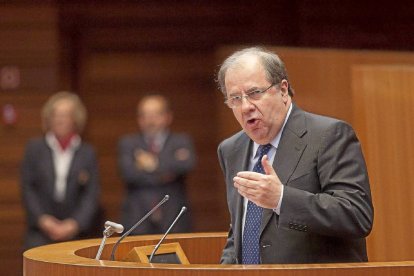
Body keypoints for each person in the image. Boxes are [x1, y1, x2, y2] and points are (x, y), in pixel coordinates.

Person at [216, 47, 374, 264]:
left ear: (283, 90)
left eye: (254, 93)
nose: (245, 107)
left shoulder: (329, 135)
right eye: (235, 98)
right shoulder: (231, 149)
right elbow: (240, 230)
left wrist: (281, 199)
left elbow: (356, 215)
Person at [21, 92, 100, 249]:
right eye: (54, 115)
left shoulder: (87, 152)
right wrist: (43, 220)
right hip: (40, 231)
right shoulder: (34, 148)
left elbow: (91, 194)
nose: (59, 120)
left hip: (77, 233)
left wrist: (74, 224)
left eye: (64, 115)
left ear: (75, 119)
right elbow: (28, 189)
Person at [118, 94, 195, 234]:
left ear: (168, 116)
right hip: (138, 217)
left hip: (173, 216)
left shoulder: (181, 141)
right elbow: (129, 174)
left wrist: (153, 164)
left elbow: (186, 166)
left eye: (156, 114)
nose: (150, 120)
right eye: (145, 115)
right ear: (139, 119)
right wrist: (165, 173)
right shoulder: (128, 143)